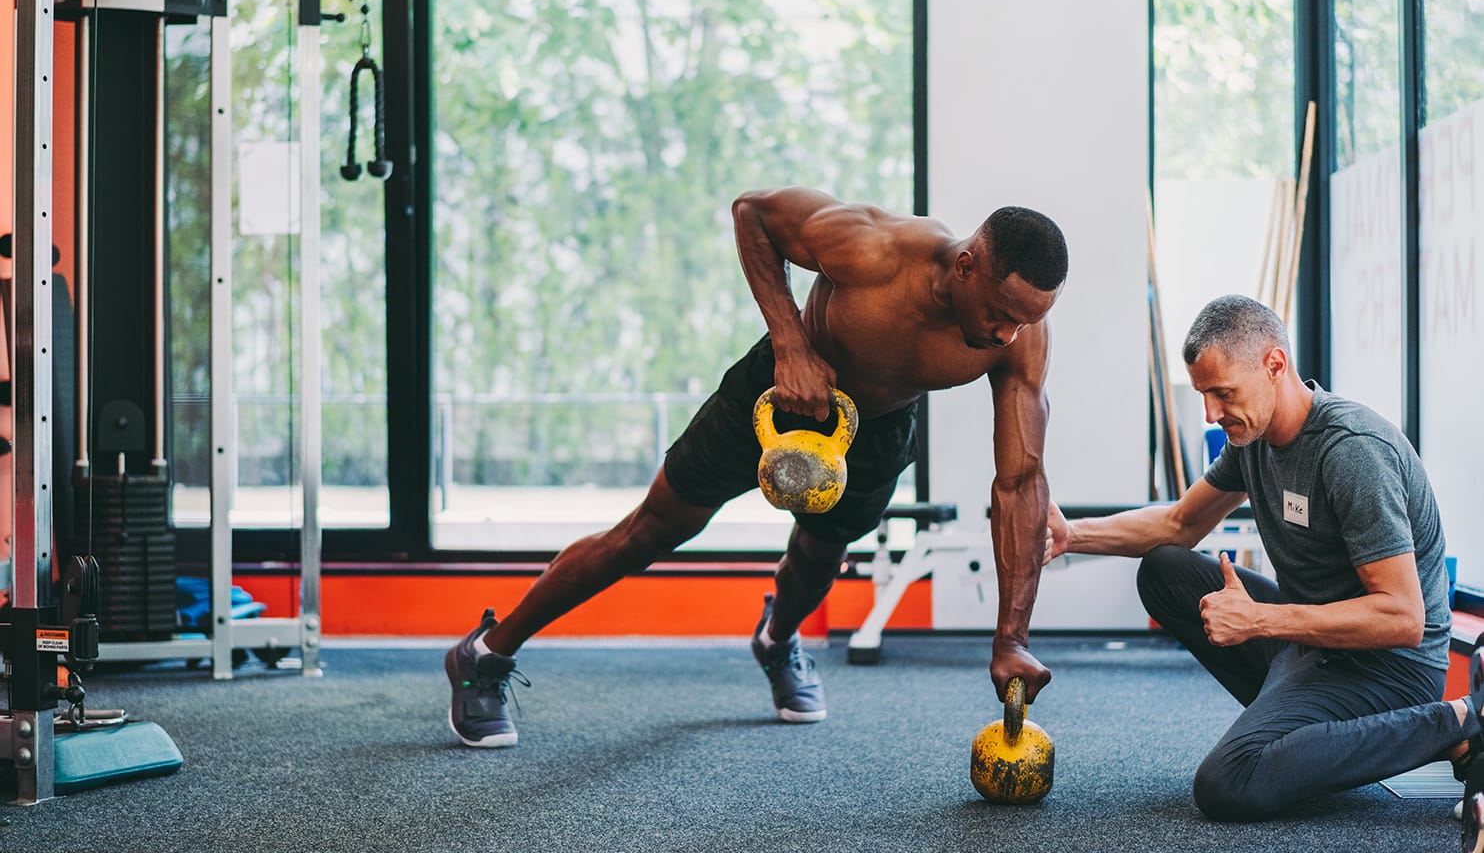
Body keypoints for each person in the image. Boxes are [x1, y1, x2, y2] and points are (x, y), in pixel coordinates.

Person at [445, 186, 1070, 748]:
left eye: (1025, 321)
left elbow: (1019, 480)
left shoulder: (1018, 338)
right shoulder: (873, 249)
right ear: (966, 266)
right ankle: (485, 654)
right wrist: (791, 344)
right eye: (1000, 312)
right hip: (777, 396)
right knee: (647, 534)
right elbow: (754, 213)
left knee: (821, 555)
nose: (1009, 333)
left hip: (876, 429)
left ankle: (777, 640)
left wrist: (1011, 637)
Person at [1044, 293, 1479, 822]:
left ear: (1275, 364)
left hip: (1387, 671)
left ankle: (1460, 723)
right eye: (1204, 394)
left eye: (1222, 393)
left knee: (1229, 782)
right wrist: (1070, 535)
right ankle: (1302, 730)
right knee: (1165, 569)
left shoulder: (1352, 451)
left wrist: (1258, 619)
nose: (1210, 412)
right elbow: (1180, 523)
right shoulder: (1251, 436)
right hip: (1311, 642)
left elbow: (1403, 619)